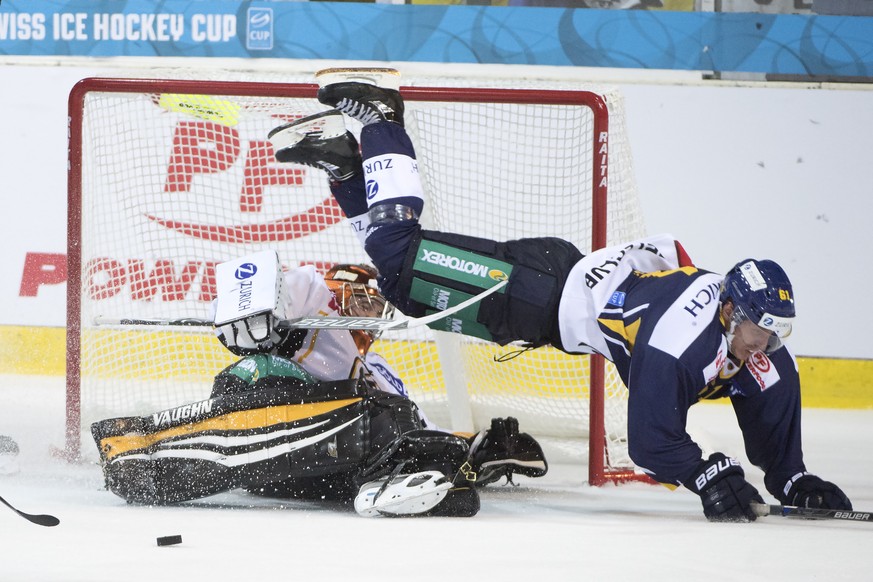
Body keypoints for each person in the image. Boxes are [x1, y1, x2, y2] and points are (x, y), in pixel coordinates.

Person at [266, 75, 853, 522]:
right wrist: (705, 474)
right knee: (398, 260)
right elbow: (651, 441)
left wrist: (793, 479)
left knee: (405, 286)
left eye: (776, 331)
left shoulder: (760, 351)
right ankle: (379, 121)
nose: (765, 343)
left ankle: (345, 171)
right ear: (730, 309)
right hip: (534, 288)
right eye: (757, 327)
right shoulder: (681, 337)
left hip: (547, 296)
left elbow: (765, 396)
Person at [91, 255, 547, 518]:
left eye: (378, 303)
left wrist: (473, 449)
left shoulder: (377, 367)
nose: (372, 309)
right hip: (261, 415)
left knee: (408, 436)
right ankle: (137, 450)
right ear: (340, 292)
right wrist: (259, 314)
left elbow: (416, 428)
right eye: (364, 297)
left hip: (307, 468)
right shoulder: (316, 307)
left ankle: (392, 486)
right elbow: (264, 281)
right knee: (265, 369)